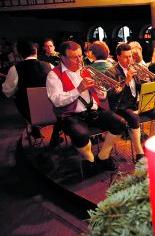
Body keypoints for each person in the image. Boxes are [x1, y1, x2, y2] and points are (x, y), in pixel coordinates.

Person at [46, 41, 126, 173]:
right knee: (81, 135)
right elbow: (56, 100)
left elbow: (101, 97)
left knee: (120, 123)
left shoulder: (86, 70)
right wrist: (78, 89)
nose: (79, 60)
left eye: (80, 56)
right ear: (63, 58)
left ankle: (103, 157)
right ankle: (89, 159)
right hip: (70, 115)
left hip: (93, 111)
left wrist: (100, 90)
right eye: (74, 57)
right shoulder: (54, 75)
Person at [2, 40, 51, 138]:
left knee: (16, 95)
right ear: (36, 51)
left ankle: (31, 124)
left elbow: (7, 91)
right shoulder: (49, 66)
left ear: (20, 54)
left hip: (29, 111)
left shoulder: (15, 69)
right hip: (51, 110)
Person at [105, 43, 145, 161]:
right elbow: (112, 96)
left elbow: (140, 88)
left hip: (134, 103)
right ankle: (139, 152)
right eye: (126, 57)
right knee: (133, 117)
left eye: (131, 56)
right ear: (118, 57)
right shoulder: (111, 72)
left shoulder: (134, 68)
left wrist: (144, 81)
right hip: (120, 106)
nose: (129, 59)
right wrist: (126, 81)